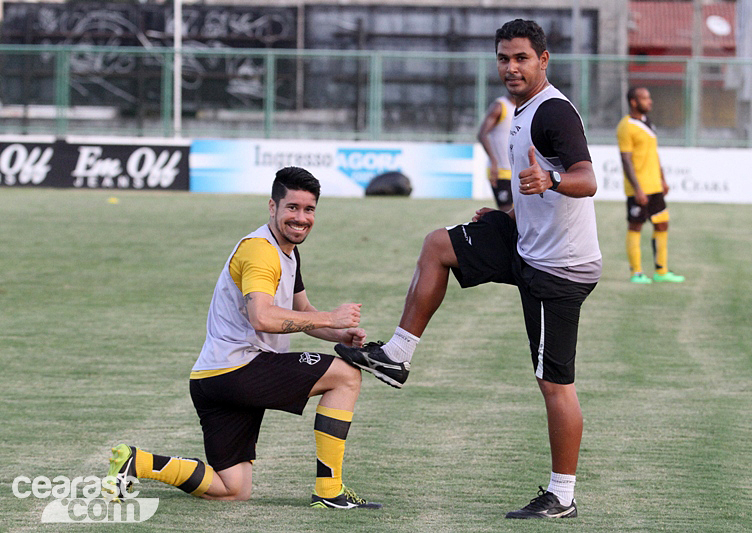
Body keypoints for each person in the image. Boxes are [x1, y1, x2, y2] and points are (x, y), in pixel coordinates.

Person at [335, 19, 600, 519]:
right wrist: (505, 217)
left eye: (521, 57)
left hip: (558, 268)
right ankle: (396, 354)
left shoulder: (553, 112)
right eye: (503, 58)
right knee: (439, 245)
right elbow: (539, 198)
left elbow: (586, 180)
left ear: (544, 60)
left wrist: (551, 177)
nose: (511, 67)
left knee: (555, 383)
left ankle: (562, 495)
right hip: (526, 241)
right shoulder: (520, 112)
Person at [104, 167, 381, 509]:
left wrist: (339, 332)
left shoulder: (287, 252)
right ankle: (329, 490)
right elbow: (262, 317)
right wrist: (330, 317)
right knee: (346, 376)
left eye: (309, 210)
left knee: (233, 489)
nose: (301, 218)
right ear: (272, 207)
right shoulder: (261, 252)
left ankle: (138, 462)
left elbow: (303, 312)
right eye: (292, 207)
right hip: (239, 369)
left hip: (212, 379)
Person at [616, 87, 685, 284]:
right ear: (633, 102)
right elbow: (626, 160)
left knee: (662, 223)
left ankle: (661, 271)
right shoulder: (626, 126)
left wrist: (662, 179)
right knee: (636, 226)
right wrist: (637, 188)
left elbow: (654, 154)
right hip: (639, 188)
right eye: (645, 98)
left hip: (654, 185)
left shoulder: (648, 124)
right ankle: (636, 272)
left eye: (649, 97)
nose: (650, 101)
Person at [477, 91, 515, 211]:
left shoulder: (524, 108)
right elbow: (482, 134)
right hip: (501, 171)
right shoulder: (500, 106)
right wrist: (494, 161)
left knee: (520, 214)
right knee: (507, 212)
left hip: (518, 172)